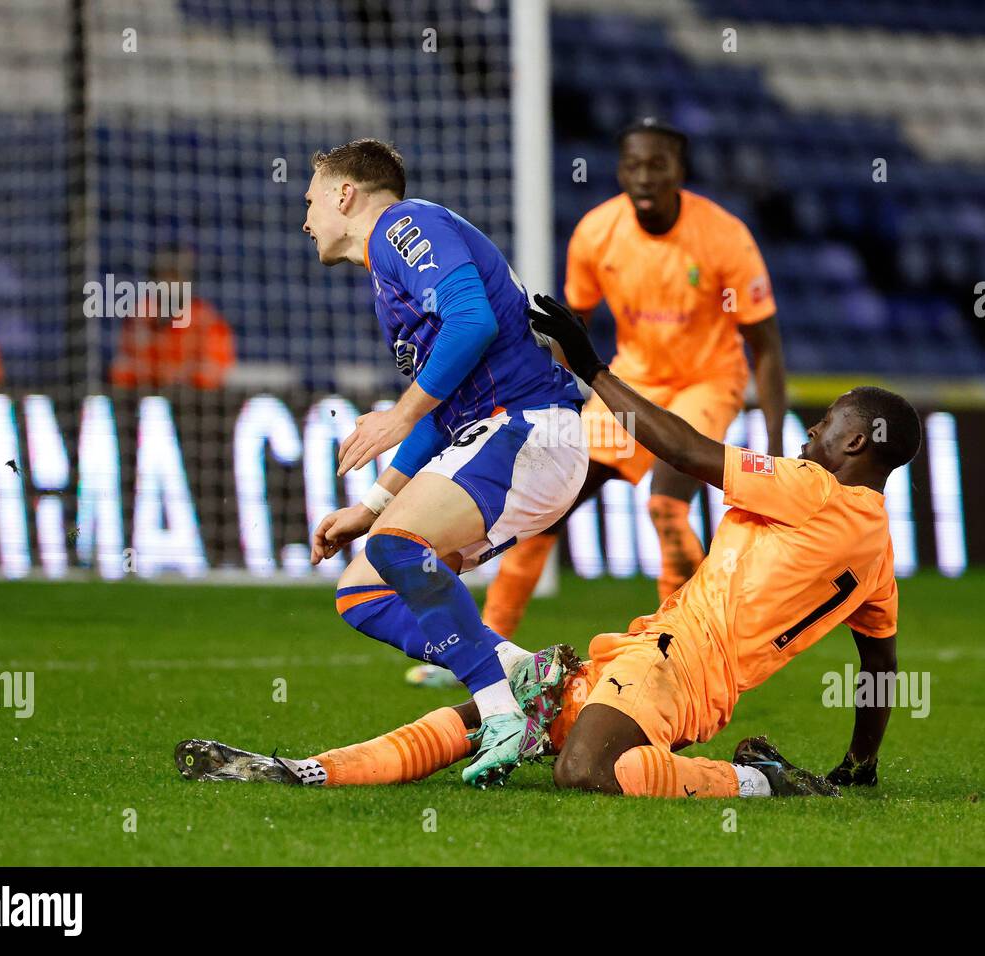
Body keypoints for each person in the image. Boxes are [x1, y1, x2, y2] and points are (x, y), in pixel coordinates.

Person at [176, 295, 917, 800]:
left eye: (825, 427)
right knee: (498, 715)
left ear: (856, 442)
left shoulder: (817, 490)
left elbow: (690, 450)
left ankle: (761, 782)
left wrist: (592, 368)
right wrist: (862, 761)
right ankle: (306, 772)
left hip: (679, 675)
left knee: (585, 770)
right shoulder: (876, 555)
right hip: (652, 655)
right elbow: (879, 663)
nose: (808, 434)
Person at [300, 139, 589, 786]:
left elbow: (471, 322)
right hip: (492, 437)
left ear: (346, 194)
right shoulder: (387, 278)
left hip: (527, 429)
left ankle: (500, 716)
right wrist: (369, 507)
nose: (306, 219)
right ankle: (520, 670)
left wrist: (395, 415)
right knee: (363, 591)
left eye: (312, 199)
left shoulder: (407, 227)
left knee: (402, 546)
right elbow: (443, 408)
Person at [477, 117, 786, 642]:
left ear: (679, 170)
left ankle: (681, 648)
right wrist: (545, 404)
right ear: (621, 170)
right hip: (632, 383)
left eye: (657, 165)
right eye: (633, 165)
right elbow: (570, 329)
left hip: (706, 384)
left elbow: (767, 347)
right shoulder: (597, 233)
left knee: (666, 506)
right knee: (548, 497)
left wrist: (774, 445)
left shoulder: (725, 237)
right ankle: (490, 640)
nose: (644, 176)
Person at [109, 246, 236, 389]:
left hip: (193, 403)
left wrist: (168, 375)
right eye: (162, 275)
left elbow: (212, 374)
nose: (168, 283)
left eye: (175, 276)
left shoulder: (207, 321)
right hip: (144, 400)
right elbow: (121, 371)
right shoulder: (139, 317)